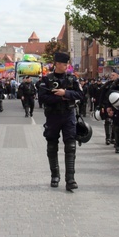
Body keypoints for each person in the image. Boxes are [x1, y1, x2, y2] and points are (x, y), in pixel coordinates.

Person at [39, 52, 84, 191]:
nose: (66, 66)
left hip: (68, 115)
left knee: (70, 146)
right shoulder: (47, 79)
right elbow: (42, 98)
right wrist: (59, 98)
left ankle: (70, 179)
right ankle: (55, 175)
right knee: (52, 146)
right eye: (64, 64)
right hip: (53, 116)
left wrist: (66, 94)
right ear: (57, 64)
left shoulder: (72, 79)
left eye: (67, 64)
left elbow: (81, 95)